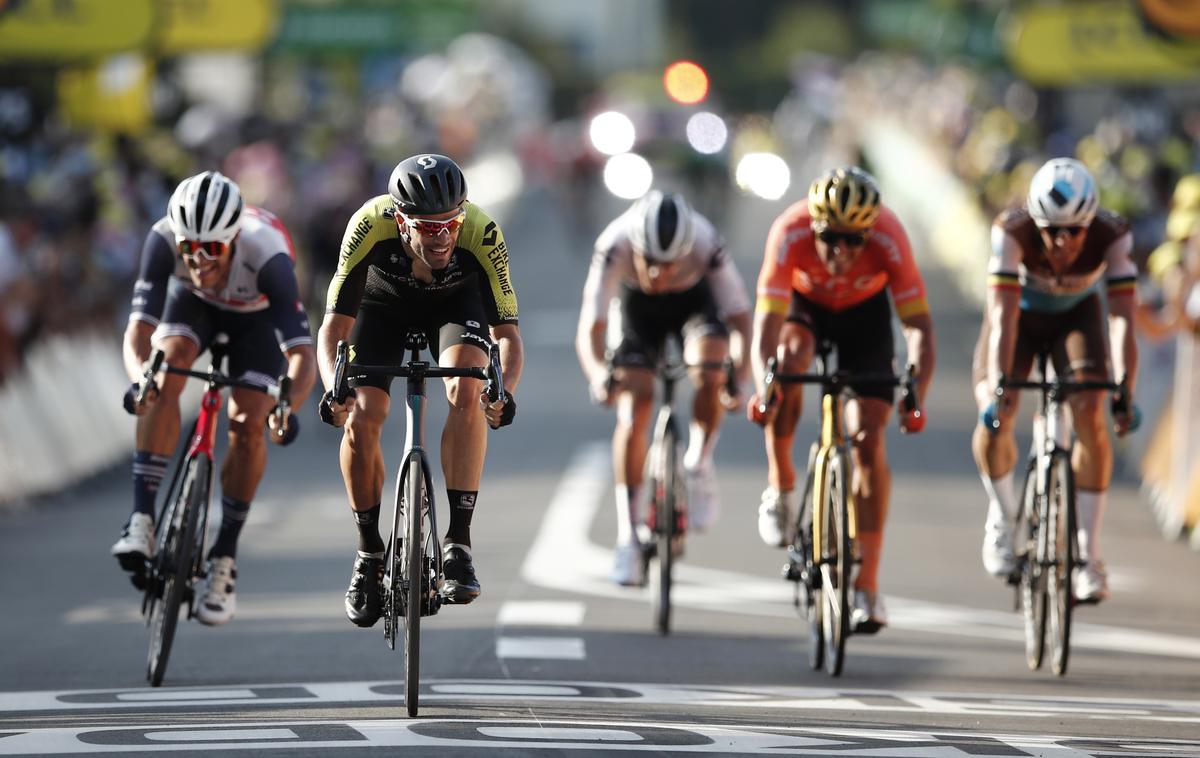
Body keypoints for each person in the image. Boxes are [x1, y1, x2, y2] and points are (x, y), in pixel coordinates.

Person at [317, 153, 522, 627]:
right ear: (400, 219)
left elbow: (507, 335)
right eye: (429, 228)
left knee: (468, 386)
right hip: (381, 305)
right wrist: (334, 386)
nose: (444, 236)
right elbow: (333, 328)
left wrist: (504, 389)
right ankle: (369, 553)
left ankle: (459, 544)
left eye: (451, 223)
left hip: (454, 306)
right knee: (363, 417)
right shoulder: (368, 224)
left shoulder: (481, 231)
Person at [114, 170, 317, 625]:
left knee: (247, 426)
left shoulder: (268, 255)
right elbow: (139, 330)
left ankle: (223, 557)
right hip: (195, 307)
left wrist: (287, 408)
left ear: (234, 238)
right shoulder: (163, 239)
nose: (200, 258)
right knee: (164, 373)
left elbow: (303, 356)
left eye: (212, 249)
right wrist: (140, 380)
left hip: (257, 322)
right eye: (191, 248)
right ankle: (142, 519)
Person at [746, 166, 935, 634]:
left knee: (869, 439)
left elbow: (919, 328)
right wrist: (763, 388)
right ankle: (782, 486)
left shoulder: (890, 238)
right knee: (789, 360)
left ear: (870, 232)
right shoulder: (789, 233)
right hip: (804, 309)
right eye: (831, 237)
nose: (841, 251)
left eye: (855, 240)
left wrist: (917, 397)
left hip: (864, 319)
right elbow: (765, 328)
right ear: (814, 227)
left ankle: (867, 588)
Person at [972, 157, 1139, 604]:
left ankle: (1088, 555)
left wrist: (1124, 387)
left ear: (1090, 223)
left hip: (1075, 319)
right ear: (1035, 221)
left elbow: (1122, 320)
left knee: (1090, 412)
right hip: (1020, 320)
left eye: (1073, 232)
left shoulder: (1113, 233)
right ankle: (1005, 518)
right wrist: (1001, 387)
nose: (1062, 242)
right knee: (996, 414)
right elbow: (1003, 317)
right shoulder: (1012, 229)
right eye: (1051, 231)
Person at [576, 190, 752, 586]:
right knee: (634, 401)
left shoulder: (706, 243)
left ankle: (699, 464)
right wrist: (598, 375)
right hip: (637, 311)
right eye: (650, 263)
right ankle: (628, 539)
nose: (659, 274)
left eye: (669, 264)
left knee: (711, 370)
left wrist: (739, 378)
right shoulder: (613, 243)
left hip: (695, 304)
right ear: (635, 247)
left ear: (686, 251)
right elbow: (591, 328)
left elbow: (742, 319)